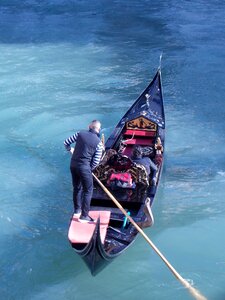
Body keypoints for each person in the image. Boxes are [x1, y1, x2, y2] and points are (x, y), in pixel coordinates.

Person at [64, 120, 104, 223]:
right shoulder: (98, 144)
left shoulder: (80, 134)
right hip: (85, 168)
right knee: (88, 190)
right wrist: (89, 170)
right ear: (98, 130)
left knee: (77, 188)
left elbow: (66, 142)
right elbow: (96, 162)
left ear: (89, 126)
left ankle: (77, 210)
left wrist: (70, 150)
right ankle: (84, 216)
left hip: (73, 165)